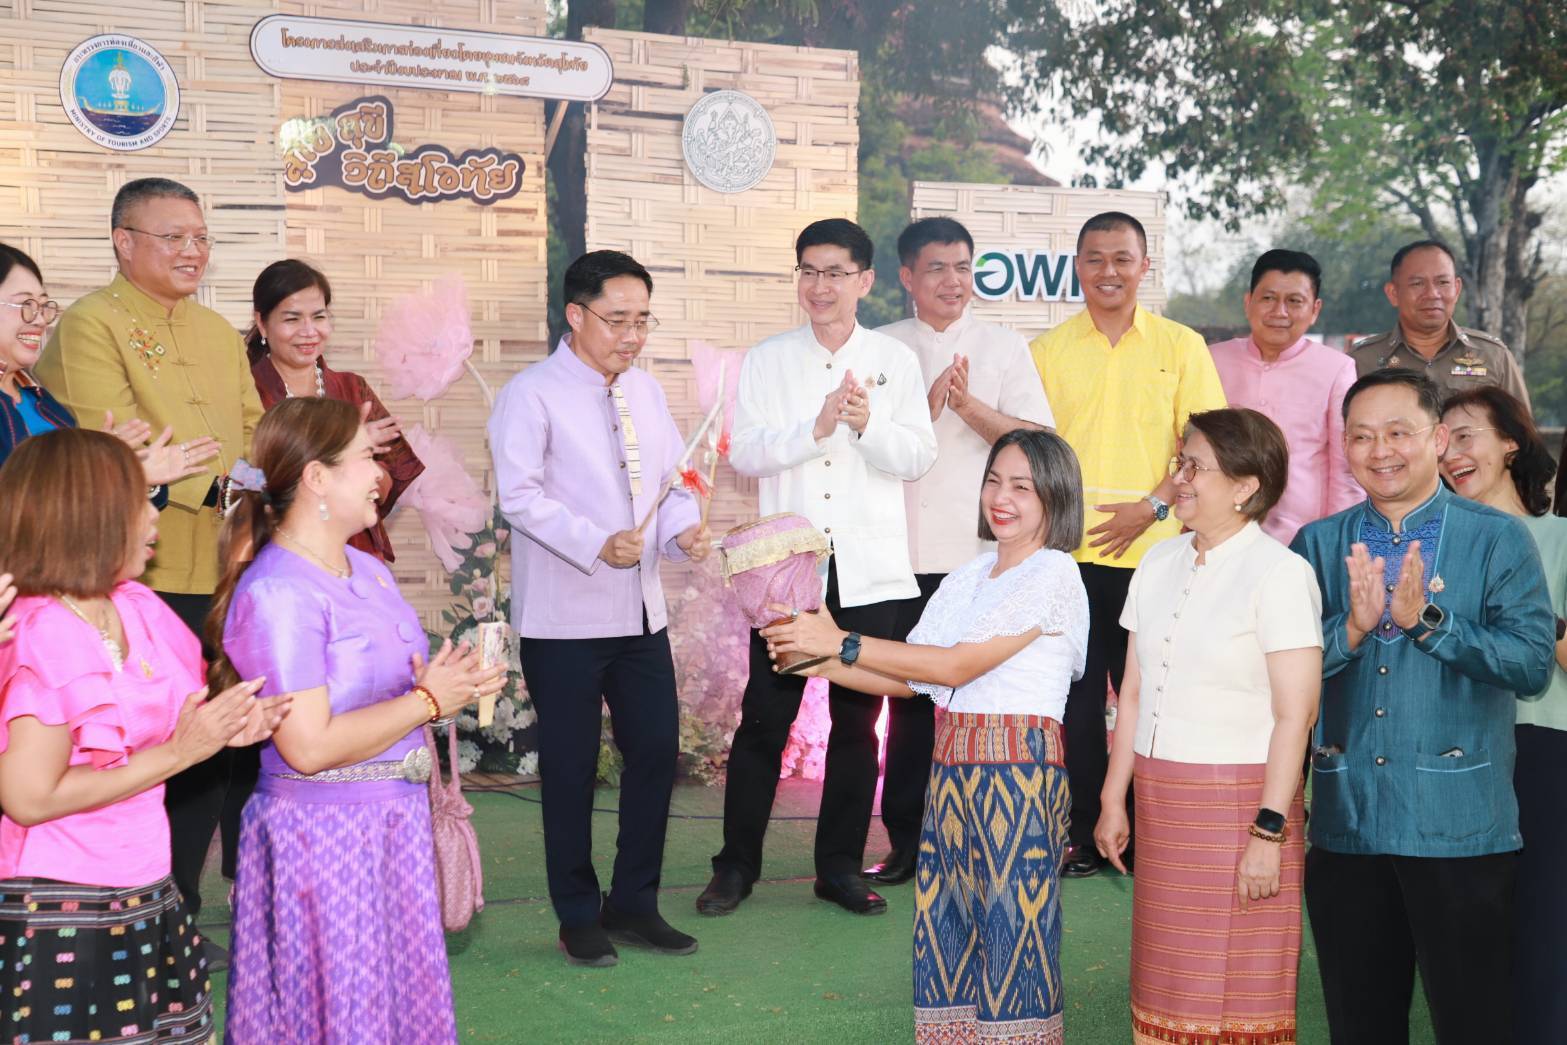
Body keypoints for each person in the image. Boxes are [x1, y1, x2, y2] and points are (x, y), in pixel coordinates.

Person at [761, 429, 1087, 1043]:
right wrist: (810, 657)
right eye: (994, 479)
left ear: (1055, 496)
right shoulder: (970, 577)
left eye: (1022, 485)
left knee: (1012, 932)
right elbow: (914, 678)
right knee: (949, 927)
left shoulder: (1055, 574)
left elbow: (955, 667)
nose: (1002, 496)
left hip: (1019, 771)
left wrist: (839, 643)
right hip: (955, 767)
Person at [212, 398, 505, 1040]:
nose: (382, 472)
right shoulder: (279, 592)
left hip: (394, 825)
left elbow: (395, 692)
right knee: (340, 1013)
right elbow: (308, 747)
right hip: (321, 842)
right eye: (368, 458)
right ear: (317, 477)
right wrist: (430, 701)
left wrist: (450, 684)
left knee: (395, 1007)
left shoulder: (368, 570)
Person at [1290, 368, 1554, 1043]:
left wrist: (1427, 620)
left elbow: (1528, 664)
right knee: (1360, 1020)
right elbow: (1282, 674)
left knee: (1472, 1021)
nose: (1380, 451)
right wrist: (1349, 629)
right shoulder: (1317, 544)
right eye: (1361, 436)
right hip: (1347, 824)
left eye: (1398, 432)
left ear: (1436, 438)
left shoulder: (1496, 538)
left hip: (1459, 828)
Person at [0, 428, 286, 1045]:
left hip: (144, 883)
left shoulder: (134, 605)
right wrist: (181, 751)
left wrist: (233, 727)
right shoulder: (44, 628)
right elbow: (28, 796)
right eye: (139, 499)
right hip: (63, 906)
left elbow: (183, 719)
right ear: (91, 517)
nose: (152, 514)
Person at [34, 177, 265, 918]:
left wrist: (259, 493)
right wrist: (225, 492)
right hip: (138, 574)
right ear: (123, 241)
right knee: (144, 750)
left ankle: (182, 908)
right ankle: (132, 905)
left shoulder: (215, 329)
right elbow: (111, 443)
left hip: (227, 564)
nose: (191, 251)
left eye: (200, 237)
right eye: (173, 237)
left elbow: (255, 424)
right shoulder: (90, 324)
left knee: (215, 749)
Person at [698, 218, 937, 918]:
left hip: (869, 569)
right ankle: (734, 866)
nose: (819, 285)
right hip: (787, 574)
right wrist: (818, 426)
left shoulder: (894, 357)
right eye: (808, 270)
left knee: (858, 724)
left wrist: (865, 422)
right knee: (763, 722)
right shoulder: (769, 359)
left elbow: (917, 456)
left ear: (865, 280)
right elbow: (743, 451)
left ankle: (836, 865)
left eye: (835, 272)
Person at [489, 250, 709, 967]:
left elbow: (675, 481)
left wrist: (683, 528)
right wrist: (593, 542)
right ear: (575, 315)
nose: (632, 335)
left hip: (641, 616)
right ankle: (577, 912)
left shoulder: (643, 391)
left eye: (642, 320)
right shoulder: (531, 393)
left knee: (652, 754)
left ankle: (635, 902)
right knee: (571, 768)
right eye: (618, 319)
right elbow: (518, 497)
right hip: (565, 620)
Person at [1094, 408, 1323, 1045]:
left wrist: (1269, 833)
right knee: (1166, 977)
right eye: (1180, 462)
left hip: (1245, 805)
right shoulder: (1158, 563)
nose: (1179, 479)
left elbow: (1294, 715)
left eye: (1195, 466)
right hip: (1164, 801)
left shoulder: (1281, 573)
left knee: (1240, 985)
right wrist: (1116, 796)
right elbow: (1133, 694)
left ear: (1247, 485)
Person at [1029, 211, 1228, 877]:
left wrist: (1150, 507)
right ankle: (1089, 833)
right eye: (1093, 258)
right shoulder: (1049, 350)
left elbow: (1203, 446)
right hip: (1068, 560)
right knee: (1079, 705)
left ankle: (1155, 831)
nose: (1107, 271)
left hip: (1157, 556)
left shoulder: (1180, 345)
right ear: (1076, 267)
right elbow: (1036, 455)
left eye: (1121, 257)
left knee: (1154, 695)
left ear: (1145, 266)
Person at [864, 217, 1054, 886]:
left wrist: (968, 408)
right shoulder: (879, 346)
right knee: (908, 705)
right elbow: (857, 444)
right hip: (893, 551)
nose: (952, 281)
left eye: (963, 267)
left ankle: (983, 835)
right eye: (937, 268)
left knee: (981, 693)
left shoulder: (1003, 347)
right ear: (906, 277)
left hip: (978, 552)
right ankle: (907, 842)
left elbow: (1039, 440)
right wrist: (923, 404)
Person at [1437, 386, 1567, 1043]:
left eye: (1464, 435)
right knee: (1464, 946)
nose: (1449, 453)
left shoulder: (1559, 540)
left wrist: (1537, 619)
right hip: (1453, 760)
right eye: (1441, 441)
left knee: (1544, 938)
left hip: (1542, 753)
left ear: (1509, 442)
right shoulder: (1431, 552)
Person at [247, 259, 423, 562]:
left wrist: (365, 467)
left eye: (319, 316)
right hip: (278, 553)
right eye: (292, 319)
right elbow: (243, 479)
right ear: (262, 323)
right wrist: (348, 447)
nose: (309, 331)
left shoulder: (353, 389)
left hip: (354, 553)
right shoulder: (246, 391)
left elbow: (388, 482)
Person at [0, 242, 219, 483]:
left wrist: (126, 470)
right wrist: (97, 467)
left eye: (43, 306)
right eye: (26, 305)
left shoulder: (41, 399)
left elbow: (73, 501)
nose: (40, 319)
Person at [1209, 249, 1360, 544]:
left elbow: (1344, 467)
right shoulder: (1212, 360)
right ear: (1248, 302)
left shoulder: (1337, 368)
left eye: (1294, 301)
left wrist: (1336, 540)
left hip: (1301, 535)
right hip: (1218, 529)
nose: (1280, 312)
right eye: (1268, 298)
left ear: (1315, 309)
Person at [1349, 240, 1528, 408]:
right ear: (1393, 293)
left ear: (1457, 289)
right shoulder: (1362, 361)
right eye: (1418, 283)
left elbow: (1522, 432)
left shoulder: (1494, 355)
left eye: (1443, 282)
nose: (1433, 294)